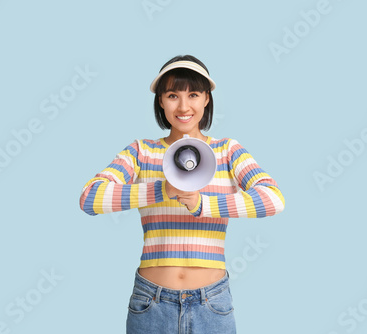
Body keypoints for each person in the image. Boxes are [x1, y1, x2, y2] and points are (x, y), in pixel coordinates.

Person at [79, 55, 285, 333]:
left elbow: (273, 199)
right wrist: (160, 189)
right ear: (161, 101)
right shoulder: (141, 151)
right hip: (151, 303)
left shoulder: (227, 151)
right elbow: (90, 198)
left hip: (212, 304)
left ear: (207, 99)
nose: (184, 106)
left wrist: (205, 204)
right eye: (173, 95)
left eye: (194, 94)